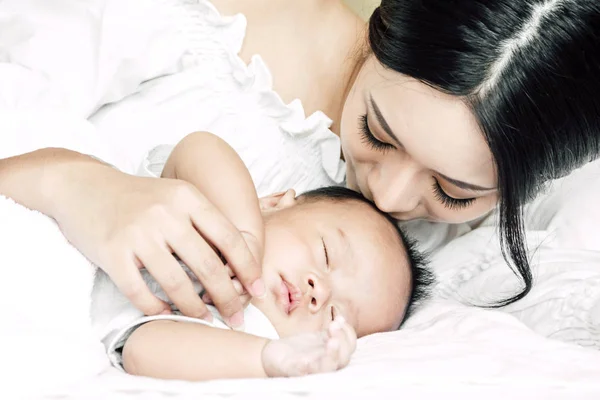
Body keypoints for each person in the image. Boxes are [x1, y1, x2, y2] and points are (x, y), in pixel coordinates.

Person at [0, 0, 598, 329]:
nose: (388, 198)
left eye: (453, 191)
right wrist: (72, 183)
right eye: (376, 131)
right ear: (378, 35)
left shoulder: (512, 206)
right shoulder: (178, 24)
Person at [91, 131, 432, 380]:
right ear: (271, 203)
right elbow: (198, 148)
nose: (320, 291)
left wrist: (265, 359)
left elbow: (142, 350)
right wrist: (244, 234)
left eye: (336, 317)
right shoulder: (209, 208)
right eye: (326, 254)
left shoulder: (243, 333)